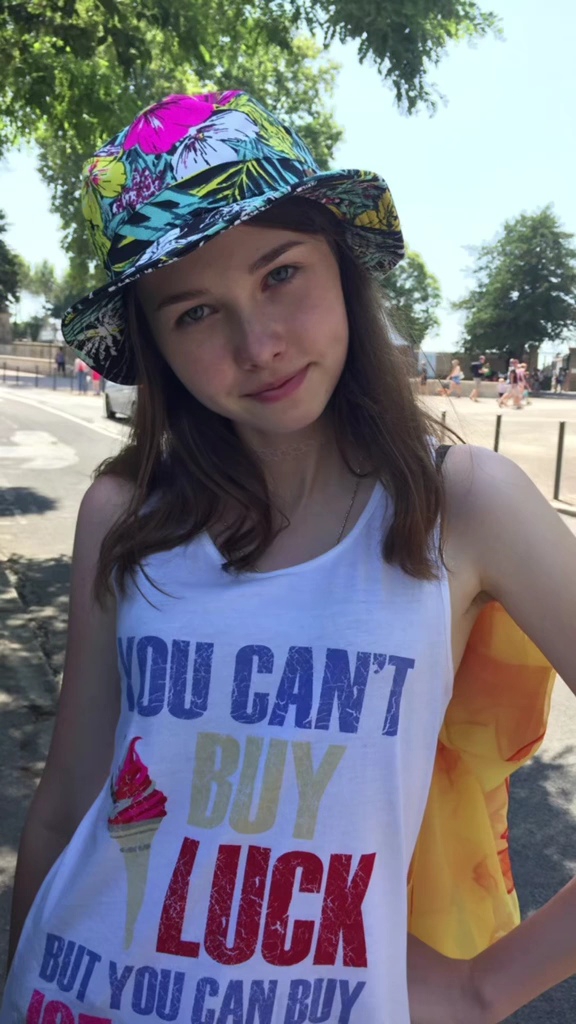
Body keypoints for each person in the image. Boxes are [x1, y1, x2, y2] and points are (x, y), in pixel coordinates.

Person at [3, 90, 576, 1024]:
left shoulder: (463, 507)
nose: (258, 344)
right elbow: (69, 802)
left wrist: (486, 987)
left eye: (280, 274)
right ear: (156, 346)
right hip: (75, 993)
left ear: (340, 265)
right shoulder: (124, 512)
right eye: (195, 312)